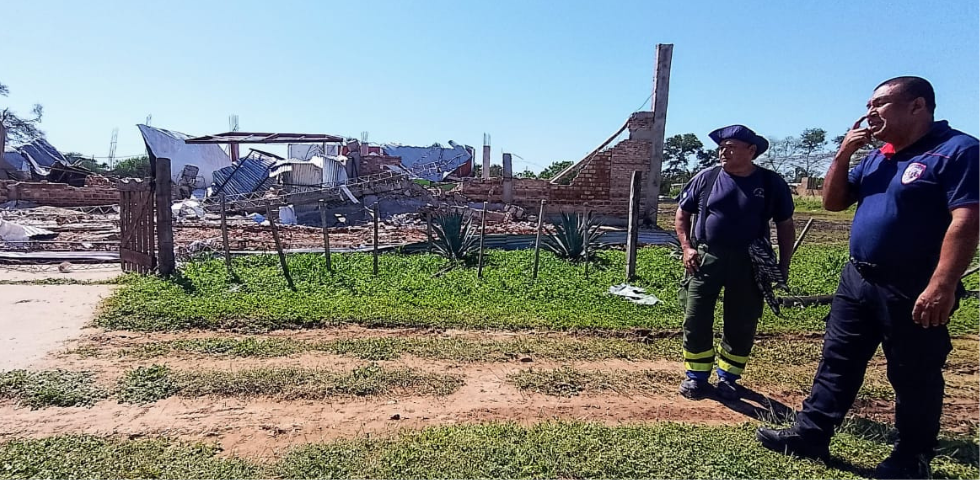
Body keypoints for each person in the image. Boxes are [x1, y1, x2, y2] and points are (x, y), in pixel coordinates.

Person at [756, 76, 979, 479]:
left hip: (914, 284)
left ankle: (911, 458)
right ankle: (812, 435)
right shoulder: (879, 156)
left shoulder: (958, 151)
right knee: (837, 361)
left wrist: (942, 284)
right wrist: (843, 154)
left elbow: (967, 219)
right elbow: (833, 201)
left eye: (880, 103)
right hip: (857, 278)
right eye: (869, 104)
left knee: (914, 372)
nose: (870, 112)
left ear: (917, 105)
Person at [674, 125, 796, 400]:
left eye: (731, 147)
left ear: (751, 151)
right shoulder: (706, 178)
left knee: (742, 320)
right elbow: (682, 214)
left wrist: (783, 264)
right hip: (706, 258)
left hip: (749, 260)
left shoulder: (770, 183)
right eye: (721, 147)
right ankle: (697, 377)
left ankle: (729, 378)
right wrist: (687, 248)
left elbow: (785, 225)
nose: (723, 152)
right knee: (695, 316)